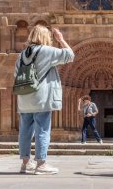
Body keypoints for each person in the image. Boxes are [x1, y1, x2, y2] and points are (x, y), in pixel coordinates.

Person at [14, 25, 74, 175]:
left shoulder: (21, 55)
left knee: (25, 131)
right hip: (41, 97)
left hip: (24, 98)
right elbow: (69, 55)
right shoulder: (46, 51)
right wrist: (61, 39)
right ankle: (41, 164)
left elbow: (17, 73)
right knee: (42, 129)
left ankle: (25, 163)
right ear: (44, 37)